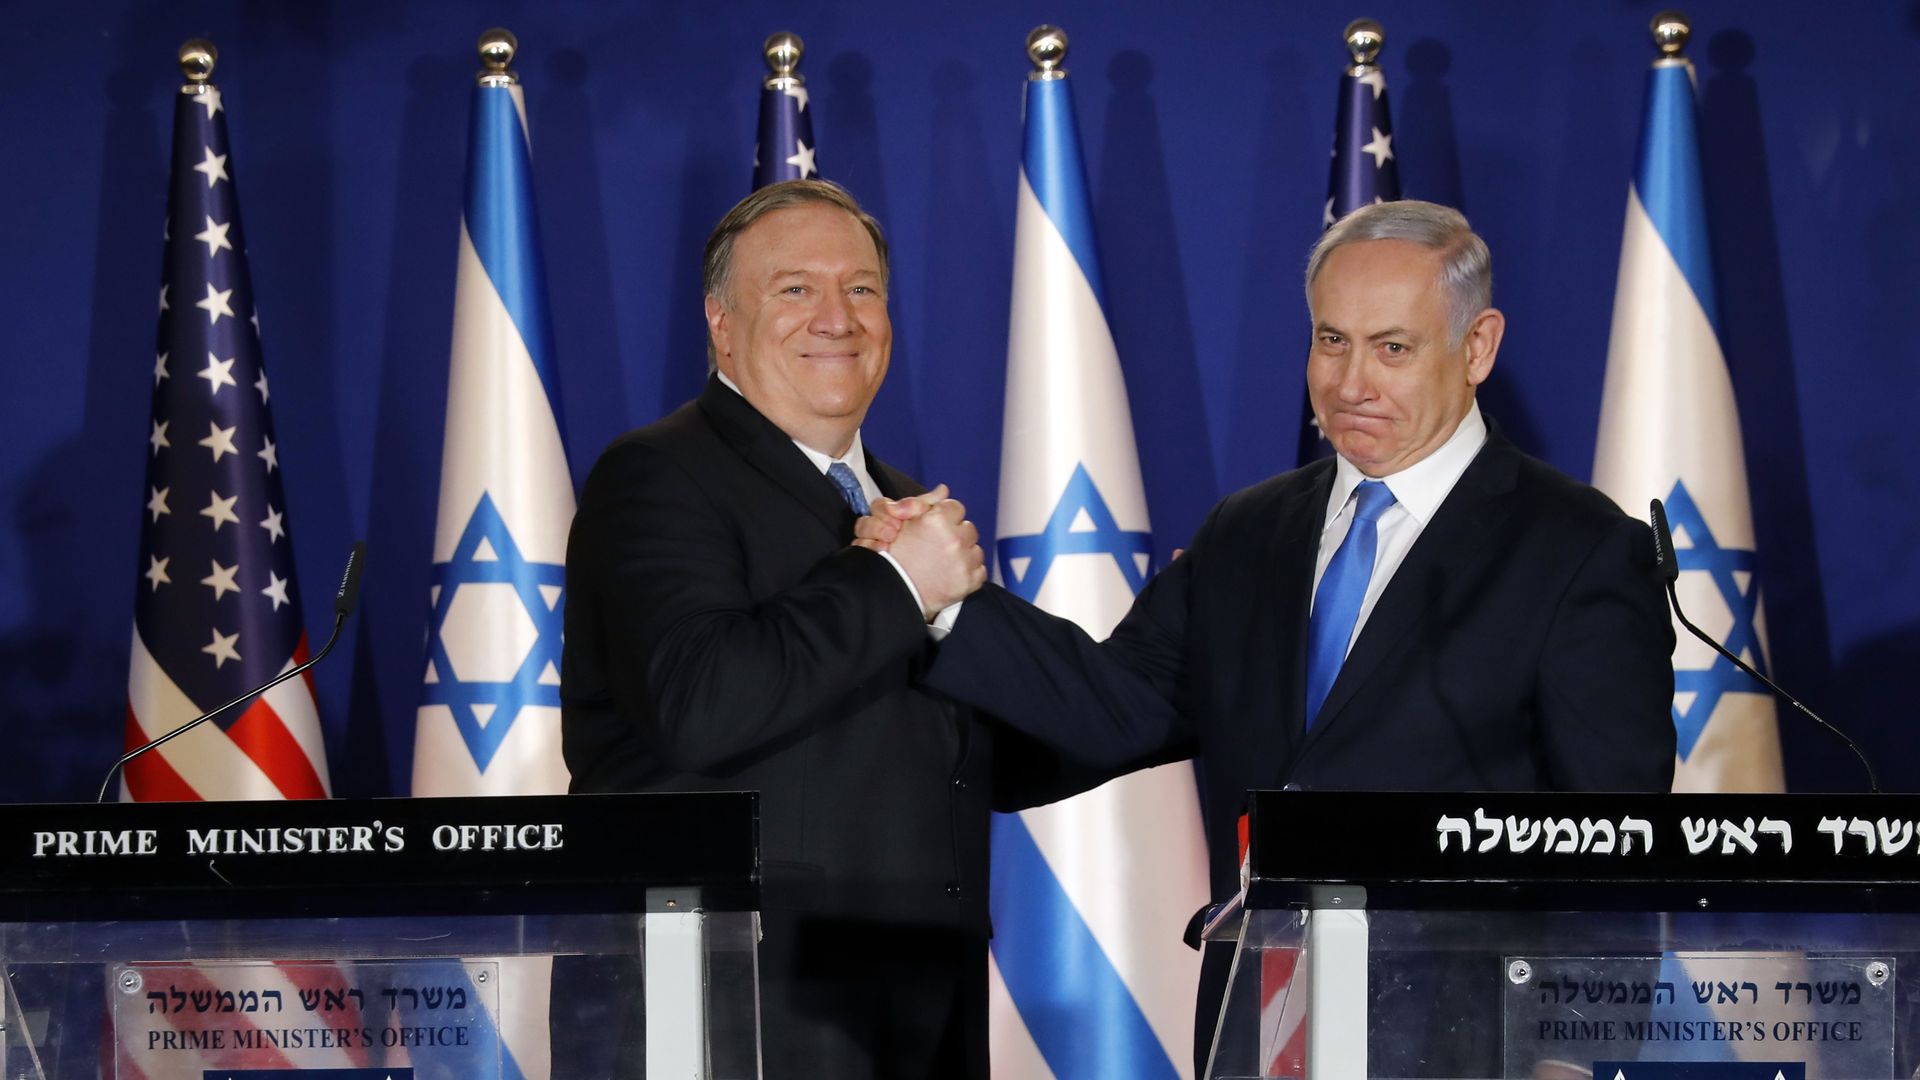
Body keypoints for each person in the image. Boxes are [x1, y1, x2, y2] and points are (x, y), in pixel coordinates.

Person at [857, 199, 1678, 1073]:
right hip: (1264, 1031)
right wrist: (946, 602)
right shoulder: (1248, 533)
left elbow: (1614, 844)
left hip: (1470, 1049)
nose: (1350, 383)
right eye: (1332, 341)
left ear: (1476, 347)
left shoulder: (1576, 549)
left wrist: (1577, 1057)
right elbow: (1112, 706)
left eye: (1392, 348)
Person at [562, 179, 1045, 1079]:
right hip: (724, 1015)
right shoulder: (656, 476)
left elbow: (1000, 758)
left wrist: (1196, 649)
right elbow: (699, 702)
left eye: (861, 289)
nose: (838, 317)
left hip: (919, 1018)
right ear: (720, 323)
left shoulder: (904, 507)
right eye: (795, 289)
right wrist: (897, 581)